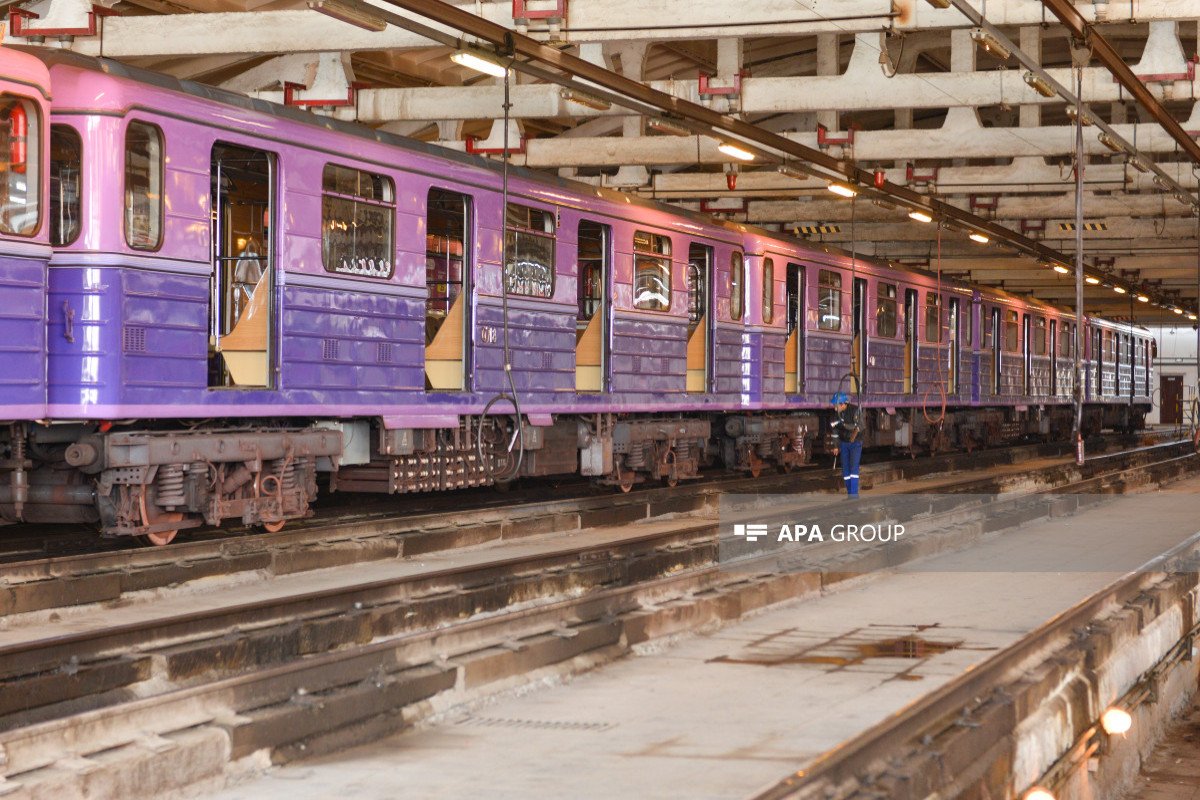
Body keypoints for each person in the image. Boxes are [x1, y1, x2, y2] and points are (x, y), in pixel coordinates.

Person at [830, 392, 864, 497]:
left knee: (853, 468)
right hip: (844, 443)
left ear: (843, 404)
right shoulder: (836, 415)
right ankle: (850, 494)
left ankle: (853, 495)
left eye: (836, 405)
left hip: (855, 443)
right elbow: (834, 431)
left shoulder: (854, 410)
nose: (834, 407)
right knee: (845, 470)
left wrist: (845, 425)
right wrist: (835, 446)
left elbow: (861, 426)